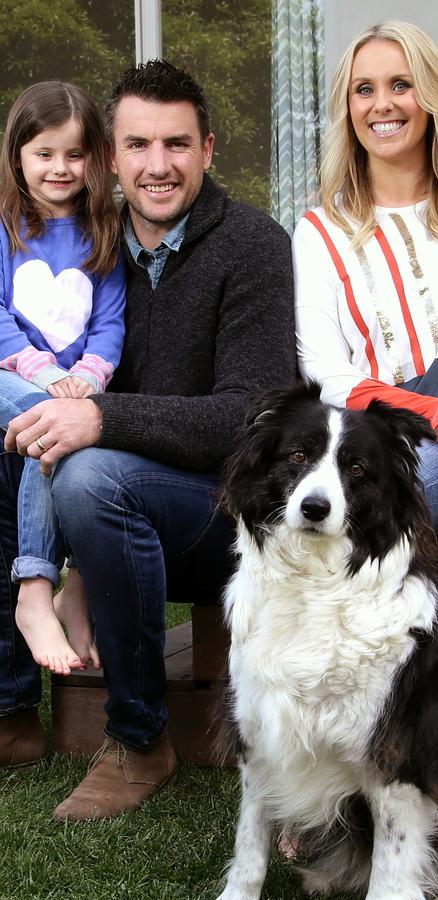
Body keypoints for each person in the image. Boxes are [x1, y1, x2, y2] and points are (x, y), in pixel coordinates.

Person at [0, 61, 296, 818]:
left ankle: (138, 740)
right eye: (137, 145)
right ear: (112, 157)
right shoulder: (93, 244)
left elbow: (253, 415)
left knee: (90, 480)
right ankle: (11, 713)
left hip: (221, 508)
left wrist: (103, 418)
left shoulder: (253, 244)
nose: (156, 166)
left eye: (175, 144)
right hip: (100, 485)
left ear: (208, 148)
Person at [291, 20, 438, 533]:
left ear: (430, 96)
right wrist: (432, 412)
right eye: (364, 89)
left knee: (369, 521)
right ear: (348, 108)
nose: (382, 104)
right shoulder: (322, 230)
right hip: (374, 447)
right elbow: (323, 368)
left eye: (401, 84)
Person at [0, 81, 125, 678]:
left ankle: (69, 591)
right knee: (46, 419)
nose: (60, 168)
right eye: (44, 153)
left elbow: (109, 324)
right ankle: (34, 591)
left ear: (95, 159)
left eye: (74, 155)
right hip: (8, 379)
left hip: (70, 387)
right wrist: (46, 374)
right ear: (18, 156)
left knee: (59, 432)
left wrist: (87, 376)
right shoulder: (5, 226)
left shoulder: (104, 232)